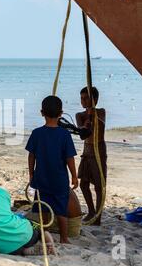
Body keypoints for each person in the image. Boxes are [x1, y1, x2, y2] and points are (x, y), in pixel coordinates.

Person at [26, 96, 78, 244]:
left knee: (43, 209)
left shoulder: (37, 133)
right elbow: (69, 158)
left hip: (41, 178)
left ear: (42, 112)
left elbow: (31, 156)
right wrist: (74, 176)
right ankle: (64, 238)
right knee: (61, 210)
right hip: (60, 180)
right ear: (61, 113)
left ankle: (45, 235)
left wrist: (31, 173)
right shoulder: (64, 134)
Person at [76, 87, 107, 226]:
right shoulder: (80, 115)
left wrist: (92, 114)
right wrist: (86, 123)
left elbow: (100, 121)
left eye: (86, 98)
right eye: (81, 98)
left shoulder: (100, 112)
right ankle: (91, 211)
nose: (83, 101)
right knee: (83, 183)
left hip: (98, 149)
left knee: (99, 185)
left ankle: (98, 215)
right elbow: (82, 135)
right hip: (87, 150)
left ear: (94, 99)